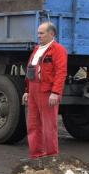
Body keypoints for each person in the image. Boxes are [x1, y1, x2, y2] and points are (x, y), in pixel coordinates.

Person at [22, 22, 68, 159]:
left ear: (51, 34)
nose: (38, 36)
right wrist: (27, 90)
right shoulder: (37, 49)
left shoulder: (58, 50)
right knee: (33, 125)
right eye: (38, 33)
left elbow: (61, 72)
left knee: (49, 126)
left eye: (41, 33)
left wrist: (56, 92)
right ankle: (36, 156)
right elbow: (30, 71)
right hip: (34, 90)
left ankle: (51, 157)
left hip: (47, 92)